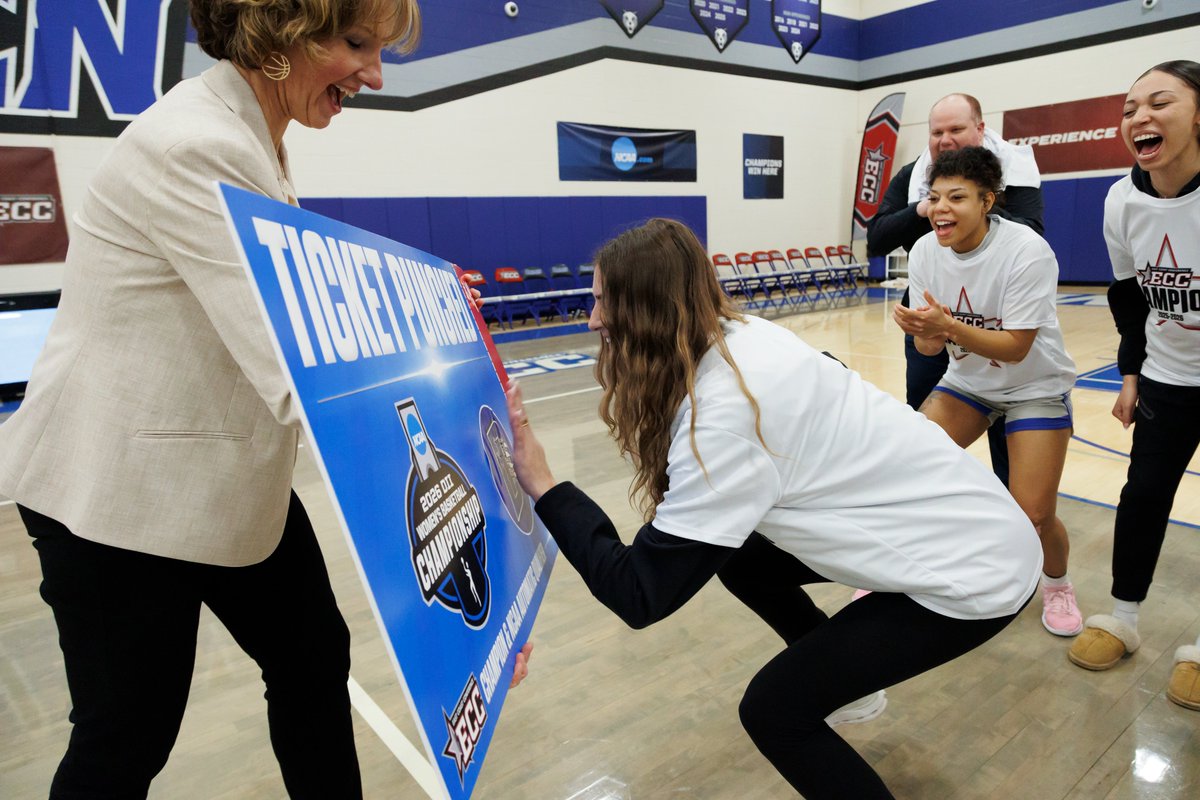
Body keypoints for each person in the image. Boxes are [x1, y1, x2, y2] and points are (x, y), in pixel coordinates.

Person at [0, 2, 528, 796]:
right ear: (278, 31)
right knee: (126, 734)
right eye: (355, 44)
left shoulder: (252, 137)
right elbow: (301, 378)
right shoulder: (196, 146)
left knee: (312, 655)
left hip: (220, 473)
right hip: (116, 494)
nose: (375, 75)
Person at [504, 217, 1042, 799]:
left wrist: (545, 484)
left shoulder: (725, 417)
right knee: (740, 558)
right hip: (970, 520)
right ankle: (854, 690)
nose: (593, 319)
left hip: (973, 572)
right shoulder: (744, 333)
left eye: (604, 302)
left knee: (773, 711)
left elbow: (640, 592)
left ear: (645, 310)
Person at [893, 146, 1082, 638]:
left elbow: (1017, 347)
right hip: (968, 383)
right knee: (907, 473)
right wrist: (924, 330)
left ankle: (1057, 584)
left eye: (957, 197)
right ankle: (901, 573)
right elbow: (931, 347)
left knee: (1035, 515)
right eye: (934, 197)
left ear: (988, 202)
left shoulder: (1026, 251)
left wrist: (947, 326)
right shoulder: (923, 252)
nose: (941, 208)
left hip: (1034, 387)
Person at [1066, 60, 1200, 710]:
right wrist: (1130, 371)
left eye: (1160, 102)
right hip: (1167, 379)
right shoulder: (1121, 200)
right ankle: (1123, 615)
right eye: (1129, 108)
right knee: (1143, 494)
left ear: (1199, 114)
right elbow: (1128, 297)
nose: (1140, 117)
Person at [869, 92, 1045, 486]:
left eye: (956, 129)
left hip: (997, 317)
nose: (944, 139)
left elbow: (1030, 233)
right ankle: (935, 509)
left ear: (980, 129)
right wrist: (925, 207)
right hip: (935, 309)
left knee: (1015, 467)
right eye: (936, 132)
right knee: (922, 449)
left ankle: (1013, 505)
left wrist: (965, 211)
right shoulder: (914, 176)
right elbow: (876, 238)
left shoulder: (1014, 168)